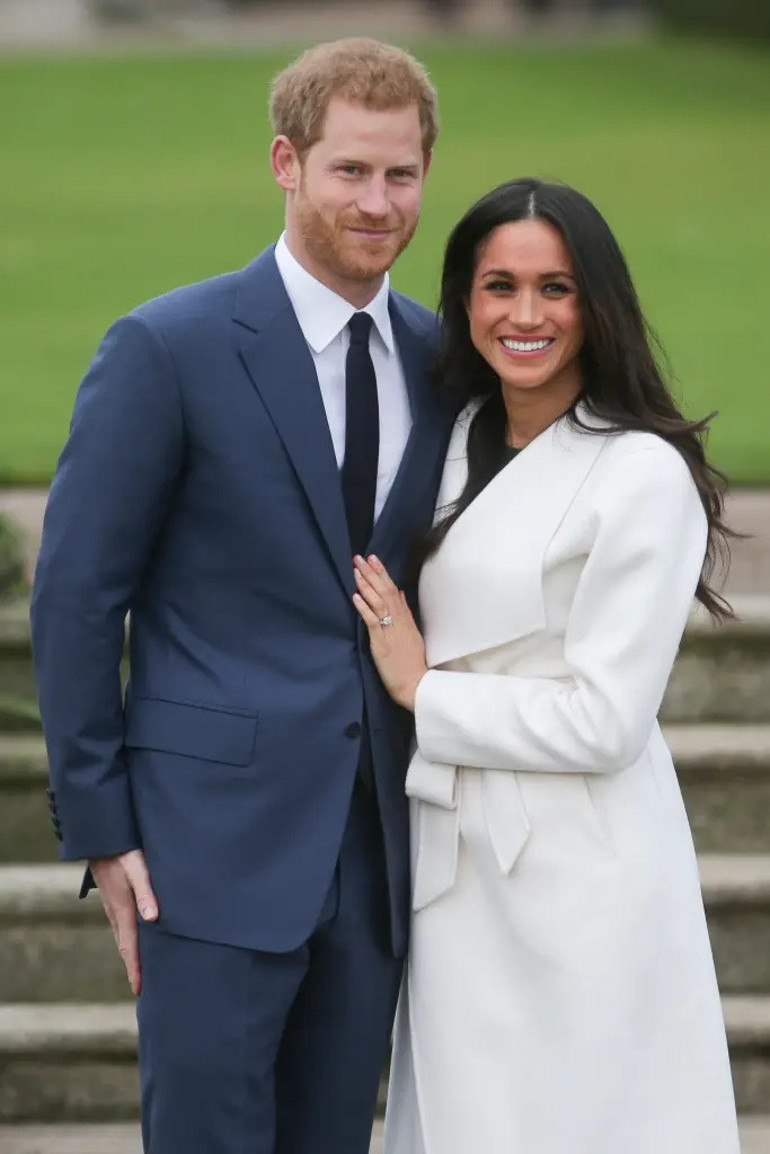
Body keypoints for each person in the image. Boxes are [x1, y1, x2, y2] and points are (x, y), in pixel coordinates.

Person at [30, 38, 454, 1154]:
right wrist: (100, 826)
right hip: (202, 854)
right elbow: (77, 594)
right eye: (349, 170)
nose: (376, 201)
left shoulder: (440, 360)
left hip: (376, 851)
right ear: (286, 162)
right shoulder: (167, 347)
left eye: (399, 174)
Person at [352, 177, 740, 1153]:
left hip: (580, 873)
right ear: (463, 299)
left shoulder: (637, 473)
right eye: (497, 285)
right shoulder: (445, 440)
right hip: (454, 862)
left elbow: (605, 721)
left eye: (554, 288)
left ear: (594, 304)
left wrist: (424, 689)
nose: (523, 314)